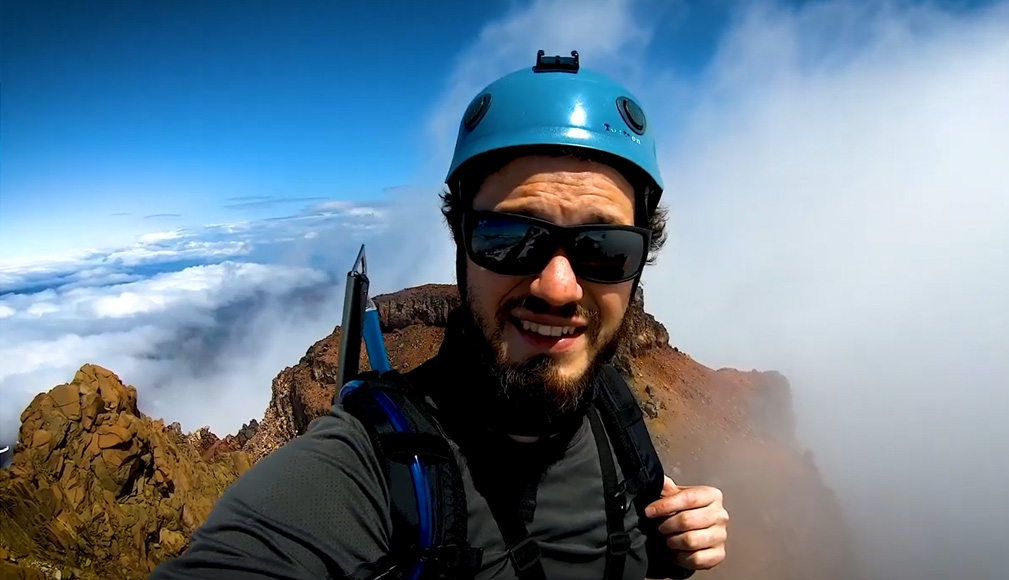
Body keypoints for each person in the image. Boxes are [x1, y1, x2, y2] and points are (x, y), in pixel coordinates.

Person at [150, 50, 728, 580]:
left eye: (604, 248)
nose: (558, 286)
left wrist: (671, 545)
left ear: (638, 264)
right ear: (460, 242)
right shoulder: (374, 468)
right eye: (509, 238)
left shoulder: (616, 413)